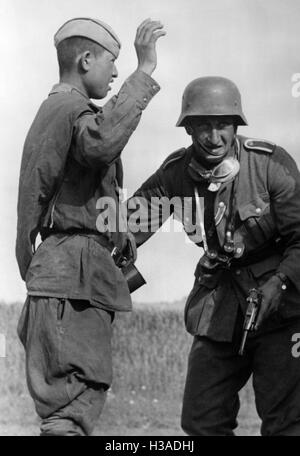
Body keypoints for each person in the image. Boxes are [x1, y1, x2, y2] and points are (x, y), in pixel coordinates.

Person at [16, 16, 165, 436]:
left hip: (61, 273)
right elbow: (101, 143)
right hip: (73, 277)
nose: (116, 73)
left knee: (68, 408)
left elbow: (46, 200)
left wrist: (114, 234)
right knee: (72, 406)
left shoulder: (55, 112)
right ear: (85, 60)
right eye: (111, 63)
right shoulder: (69, 109)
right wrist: (144, 71)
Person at [127, 76, 300, 435]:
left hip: (281, 310)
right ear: (188, 128)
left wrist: (280, 283)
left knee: (285, 423)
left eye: (223, 125)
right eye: (203, 126)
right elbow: (124, 227)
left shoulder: (270, 163)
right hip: (218, 308)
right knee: (200, 420)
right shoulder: (174, 174)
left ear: (236, 125)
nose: (214, 136)